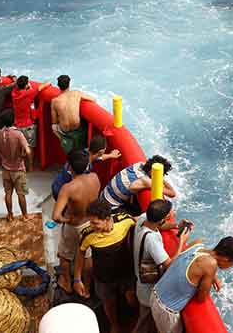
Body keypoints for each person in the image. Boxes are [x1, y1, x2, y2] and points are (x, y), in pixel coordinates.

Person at [150, 237, 233, 333]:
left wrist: (213, 277)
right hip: (166, 309)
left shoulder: (197, 244)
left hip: (155, 292)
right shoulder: (211, 265)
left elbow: (190, 264)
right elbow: (201, 298)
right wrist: (209, 276)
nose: (231, 267)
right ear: (226, 259)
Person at [73, 199, 137, 333]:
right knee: (109, 302)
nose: (91, 225)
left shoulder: (124, 220)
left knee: (132, 298)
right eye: (90, 222)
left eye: (95, 223)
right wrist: (77, 279)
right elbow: (80, 253)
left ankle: (136, 319)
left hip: (125, 272)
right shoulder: (87, 234)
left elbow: (140, 221)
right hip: (103, 276)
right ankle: (114, 325)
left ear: (107, 219)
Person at [132, 200, 193, 333]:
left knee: (143, 317)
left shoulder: (143, 219)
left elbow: (158, 226)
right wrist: (182, 242)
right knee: (145, 320)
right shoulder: (152, 240)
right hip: (148, 288)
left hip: (140, 282)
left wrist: (177, 225)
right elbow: (169, 265)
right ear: (163, 218)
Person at [51, 149, 101, 294]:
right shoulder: (95, 178)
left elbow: (56, 216)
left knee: (65, 255)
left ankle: (66, 282)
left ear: (69, 167)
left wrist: (67, 219)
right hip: (91, 223)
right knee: (87, 254)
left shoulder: (68, 188)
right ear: (87, 166)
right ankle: (87, 287)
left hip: (74, 225)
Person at [0, 109, 32, 221]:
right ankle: (25, 216)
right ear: (13, 120)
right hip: (18, 169)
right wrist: (23, 155)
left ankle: (10, 215)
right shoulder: (18, 134)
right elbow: (28, 151)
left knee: (8, 193)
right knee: (21, 194)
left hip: (5, 169)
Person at [51, 135, 121, 202]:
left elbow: (98, 157)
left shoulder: (82, 153)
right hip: (61, 192)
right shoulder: (82, 168)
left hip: (57, 184)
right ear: (100, 152)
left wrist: (110, 155)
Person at [101, 155, 177, 212]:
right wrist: (160, 178)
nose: (163, 176)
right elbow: (172, 193)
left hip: (103, 196)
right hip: (110, 207)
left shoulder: (139, 164)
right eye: (163, 173)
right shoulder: (145, 181)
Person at [11, 75, 51, 170]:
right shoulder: (29, 93)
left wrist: (14, 79)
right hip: (28, 125)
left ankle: (21, 165)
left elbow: (17, 85)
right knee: (30, 147)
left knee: (20, 146)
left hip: (17, 125)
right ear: (25, 86)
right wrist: (48, 82)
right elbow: (42, 87)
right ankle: (31, 166)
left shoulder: (13, 93)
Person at [50, 75, 95, 154]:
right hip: (77, 127)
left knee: (53, 127)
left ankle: (63, 140)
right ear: (69, 84)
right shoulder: (76, 93)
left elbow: (54, 122)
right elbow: (93, 99)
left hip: (65, 131)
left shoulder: (55, 101)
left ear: (58, 86)